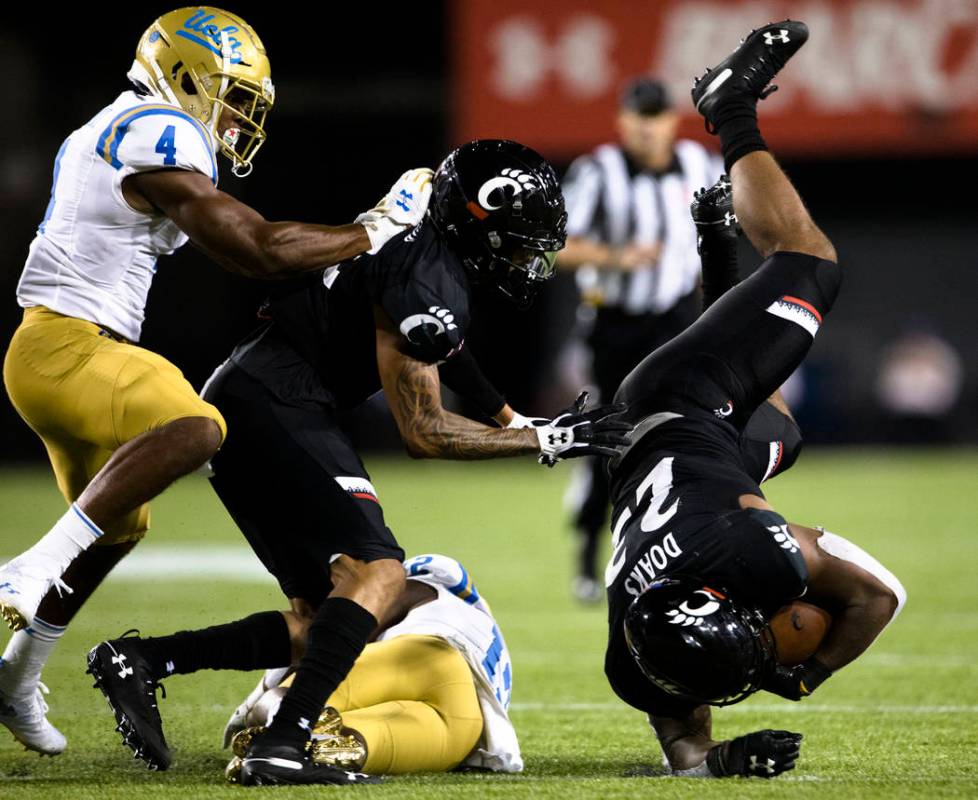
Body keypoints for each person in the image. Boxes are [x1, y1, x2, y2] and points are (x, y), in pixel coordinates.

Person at [85, 138, 630, 784]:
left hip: (255, 393)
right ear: (479, 225)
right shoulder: (429, 276)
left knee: (327, 619)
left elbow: (448, 352)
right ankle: (284, 744)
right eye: (515, 241)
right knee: (381, 575)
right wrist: (543, 443)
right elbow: (424, 432)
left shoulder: (429, 240)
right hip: (277, 402)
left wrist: (515, 419)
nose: (524, 259)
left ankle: (141, 659)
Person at [0, 6, 431, 756]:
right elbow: (254, 249)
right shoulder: (158, 126)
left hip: (53, 354)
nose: (235, 118)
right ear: (186, 73)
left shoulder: (116, 128)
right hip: (66, 349)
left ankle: (13, 680)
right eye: (231, 95)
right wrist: (375, 228)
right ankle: (30, 566)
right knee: (199, 425)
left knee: (118, 526)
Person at [602, 21, 907, 778]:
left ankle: (730, 106)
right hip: (683, 449)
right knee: (781, 434)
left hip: (679, 403)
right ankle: (717, 255)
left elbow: (880, 596)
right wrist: (718, 760)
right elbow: (686, 753)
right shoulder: (632, 652)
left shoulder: (750, 555)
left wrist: (798, 676)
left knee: (811, 261)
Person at [557, 77, 723, 602]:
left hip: (677, 316)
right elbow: (554, 246)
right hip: (616, 322)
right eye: (638, 116)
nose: (647, 128)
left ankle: (680, 550)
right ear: (623, 120)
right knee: (609, 435)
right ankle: (589, 552)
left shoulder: (702, 165)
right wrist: (616, 258)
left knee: (687, 429)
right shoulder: (598, 171)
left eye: (656, 117)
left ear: (673, 121)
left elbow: (721, 230)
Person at [221, 553, 521, 780]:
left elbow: (338, 638)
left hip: (423, 659)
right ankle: (296, 755)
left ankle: (273, 748)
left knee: (275, 712)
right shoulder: (468, 620)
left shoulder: (409, 587)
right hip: (461, 727)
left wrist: (259, 704)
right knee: (342, 746)